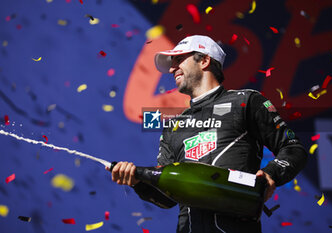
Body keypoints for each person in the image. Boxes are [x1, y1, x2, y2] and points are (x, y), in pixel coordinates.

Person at [109, 35, 308, 232]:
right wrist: (137, 182)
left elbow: (292, 147)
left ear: (204, 60)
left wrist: (271, 173)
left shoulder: (247, 101)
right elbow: (167, 199)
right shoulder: (173, 126)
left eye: (179, 60)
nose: (171, 68)